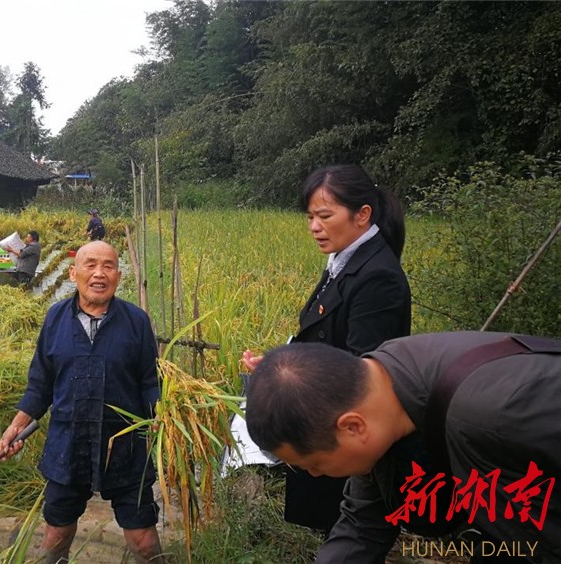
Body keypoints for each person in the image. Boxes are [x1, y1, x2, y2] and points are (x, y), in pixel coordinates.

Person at [245, 332, 561, 564]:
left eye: (313, 463)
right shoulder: (379, 391)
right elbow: (362, 526)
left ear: (352, 427)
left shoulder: (500, 412)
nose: (314, 475)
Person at [240, 164, 411, 533]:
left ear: (362, 214)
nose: (314, 227)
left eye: (324, 216)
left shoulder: (377, 275)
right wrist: (278, 366)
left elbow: (365, 368)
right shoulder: (345, 259)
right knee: (338, 530)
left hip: (343, 430)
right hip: (326, 417)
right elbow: (322, 337)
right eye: (310, 217)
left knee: (353, 528)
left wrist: (293, 376)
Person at [0, 241, 164, 563]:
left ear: (118, 275)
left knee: (144, 541)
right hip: (68, 444)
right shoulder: (56, 318)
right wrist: (16, 427)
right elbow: (40, 384)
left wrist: (165, 417)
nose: (99, 274)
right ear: (73, 272)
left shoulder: (136, 322)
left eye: (108, 266)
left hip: (126, 446)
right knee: (56, 537)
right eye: (90, 265)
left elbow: (150, 383)